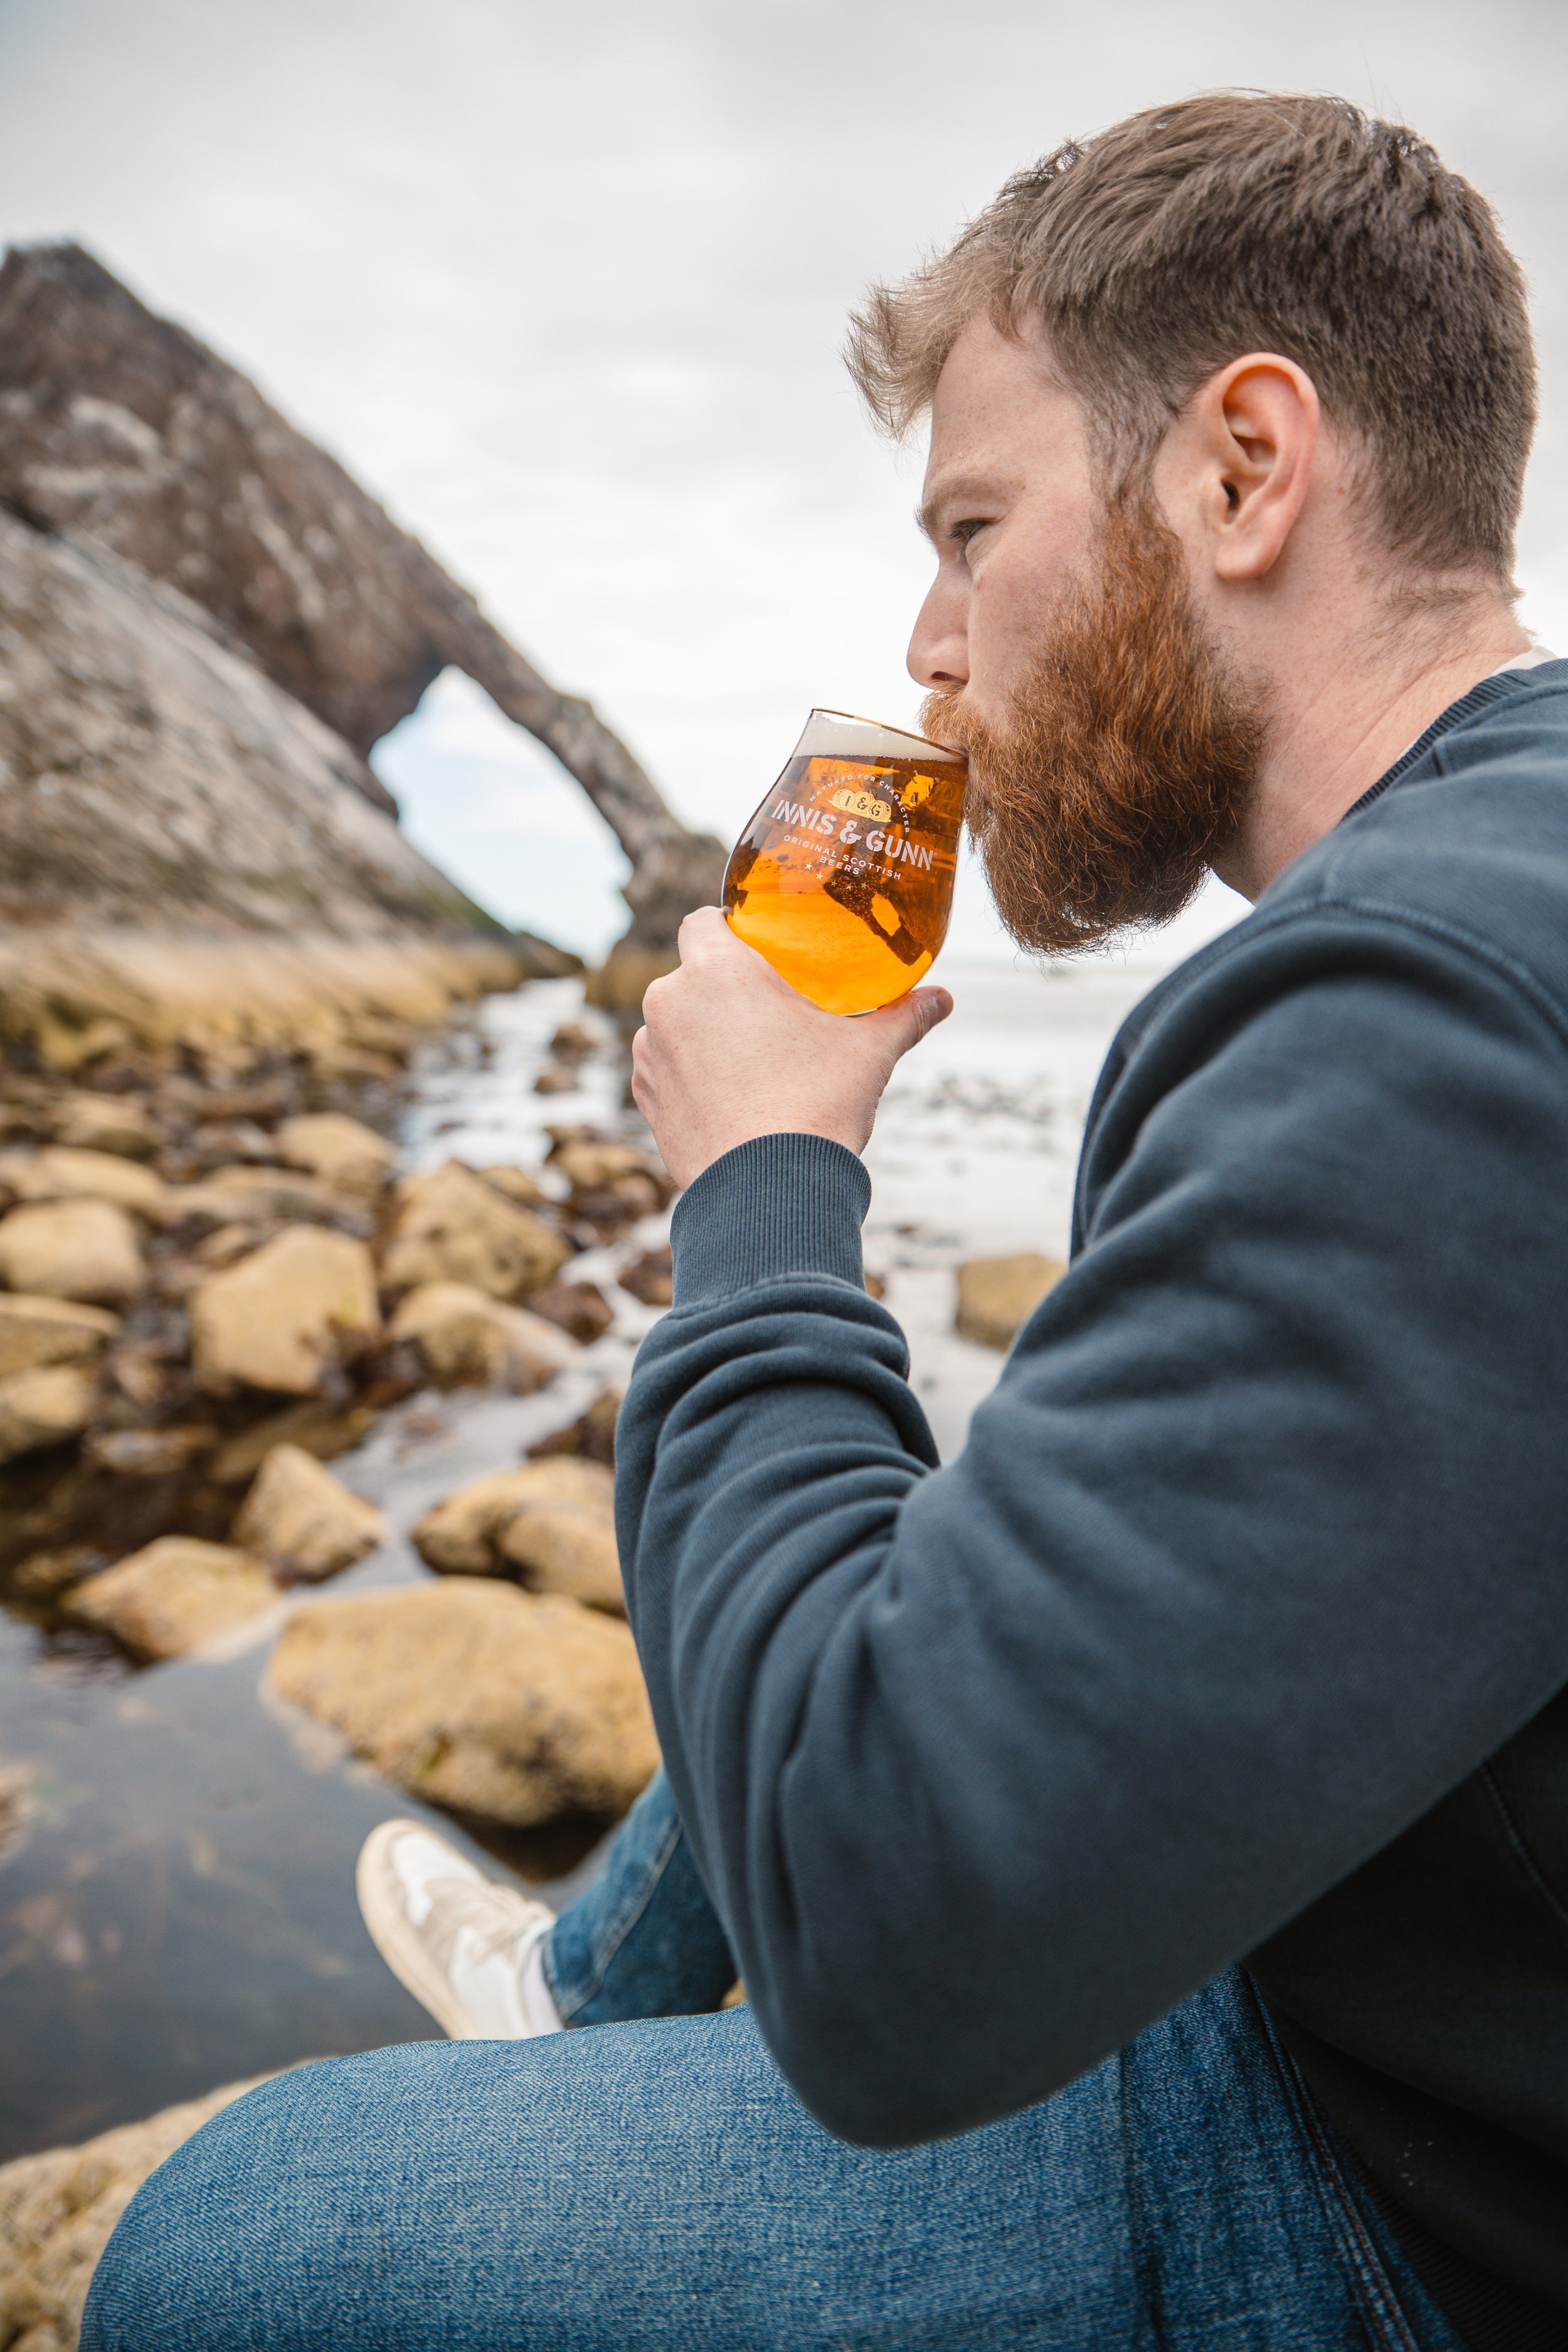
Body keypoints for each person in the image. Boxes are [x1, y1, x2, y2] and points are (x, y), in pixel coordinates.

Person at [82, 89, 1568, 2352]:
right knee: (981, 1522)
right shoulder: (1492, 870)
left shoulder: (1413, 1006)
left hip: (1413, 2202)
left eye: (973, 527)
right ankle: (585, 2000)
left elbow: (893, 1963)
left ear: (1243, 471)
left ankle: (572, 2023)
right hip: (1424, 1939)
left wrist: (766, 1184)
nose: (930, 639)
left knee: (222, 2245)